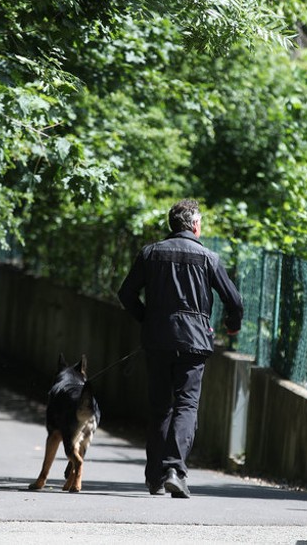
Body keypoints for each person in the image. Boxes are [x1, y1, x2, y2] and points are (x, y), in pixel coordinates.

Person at [117, 199, 244, 499]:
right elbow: (234, 301)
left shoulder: (150, 253)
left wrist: (147, 319)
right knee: (186, 405)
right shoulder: (208, 258)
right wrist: (232, 325)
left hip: (158, 340)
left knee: (160, 407)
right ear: (195, 225)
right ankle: (175, 470)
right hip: (194, 342)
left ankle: (155, 478)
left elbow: (126, 294)